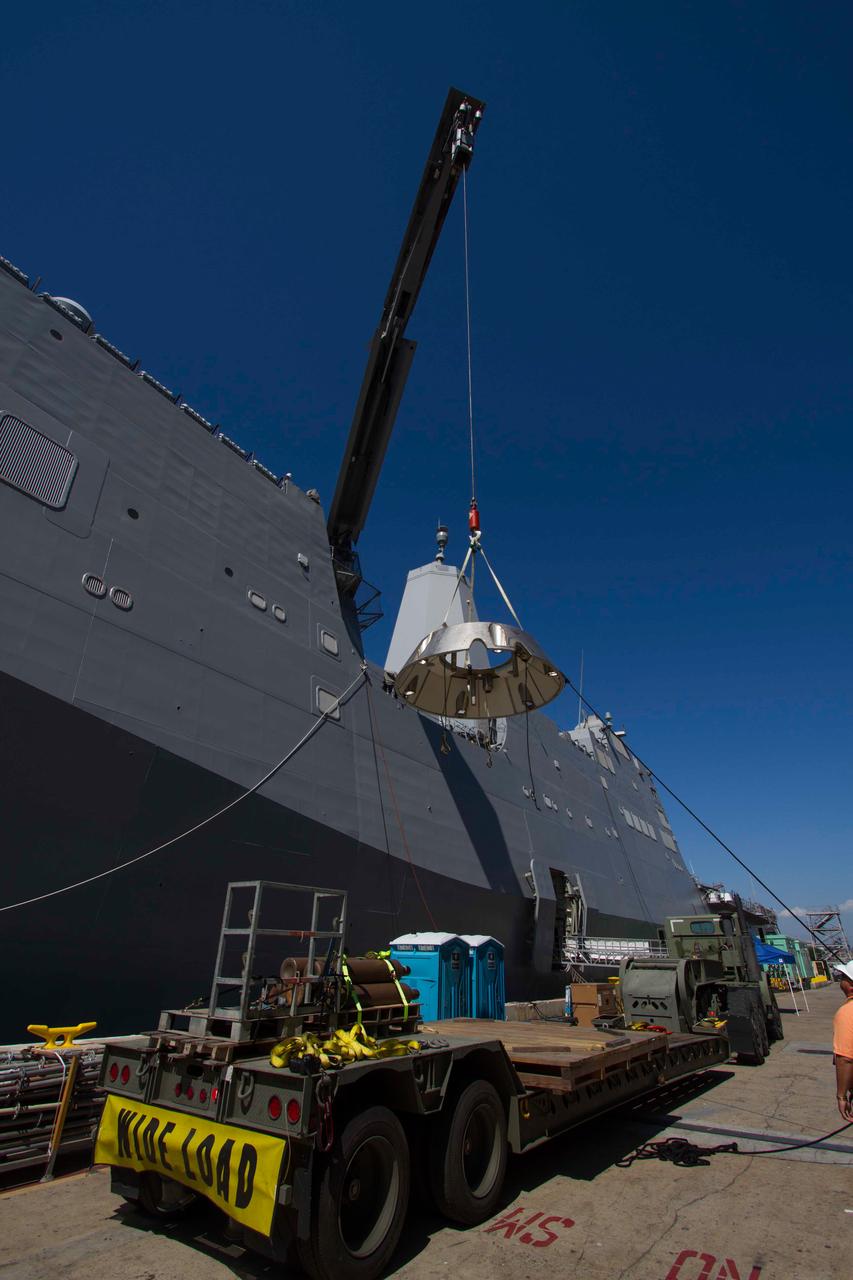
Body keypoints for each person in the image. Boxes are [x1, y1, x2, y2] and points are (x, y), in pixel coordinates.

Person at [832, 961, 853, 1122]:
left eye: (844, 977)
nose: (841, 980)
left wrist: (841, 1096)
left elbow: (845, 1058)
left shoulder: (847, 1013)